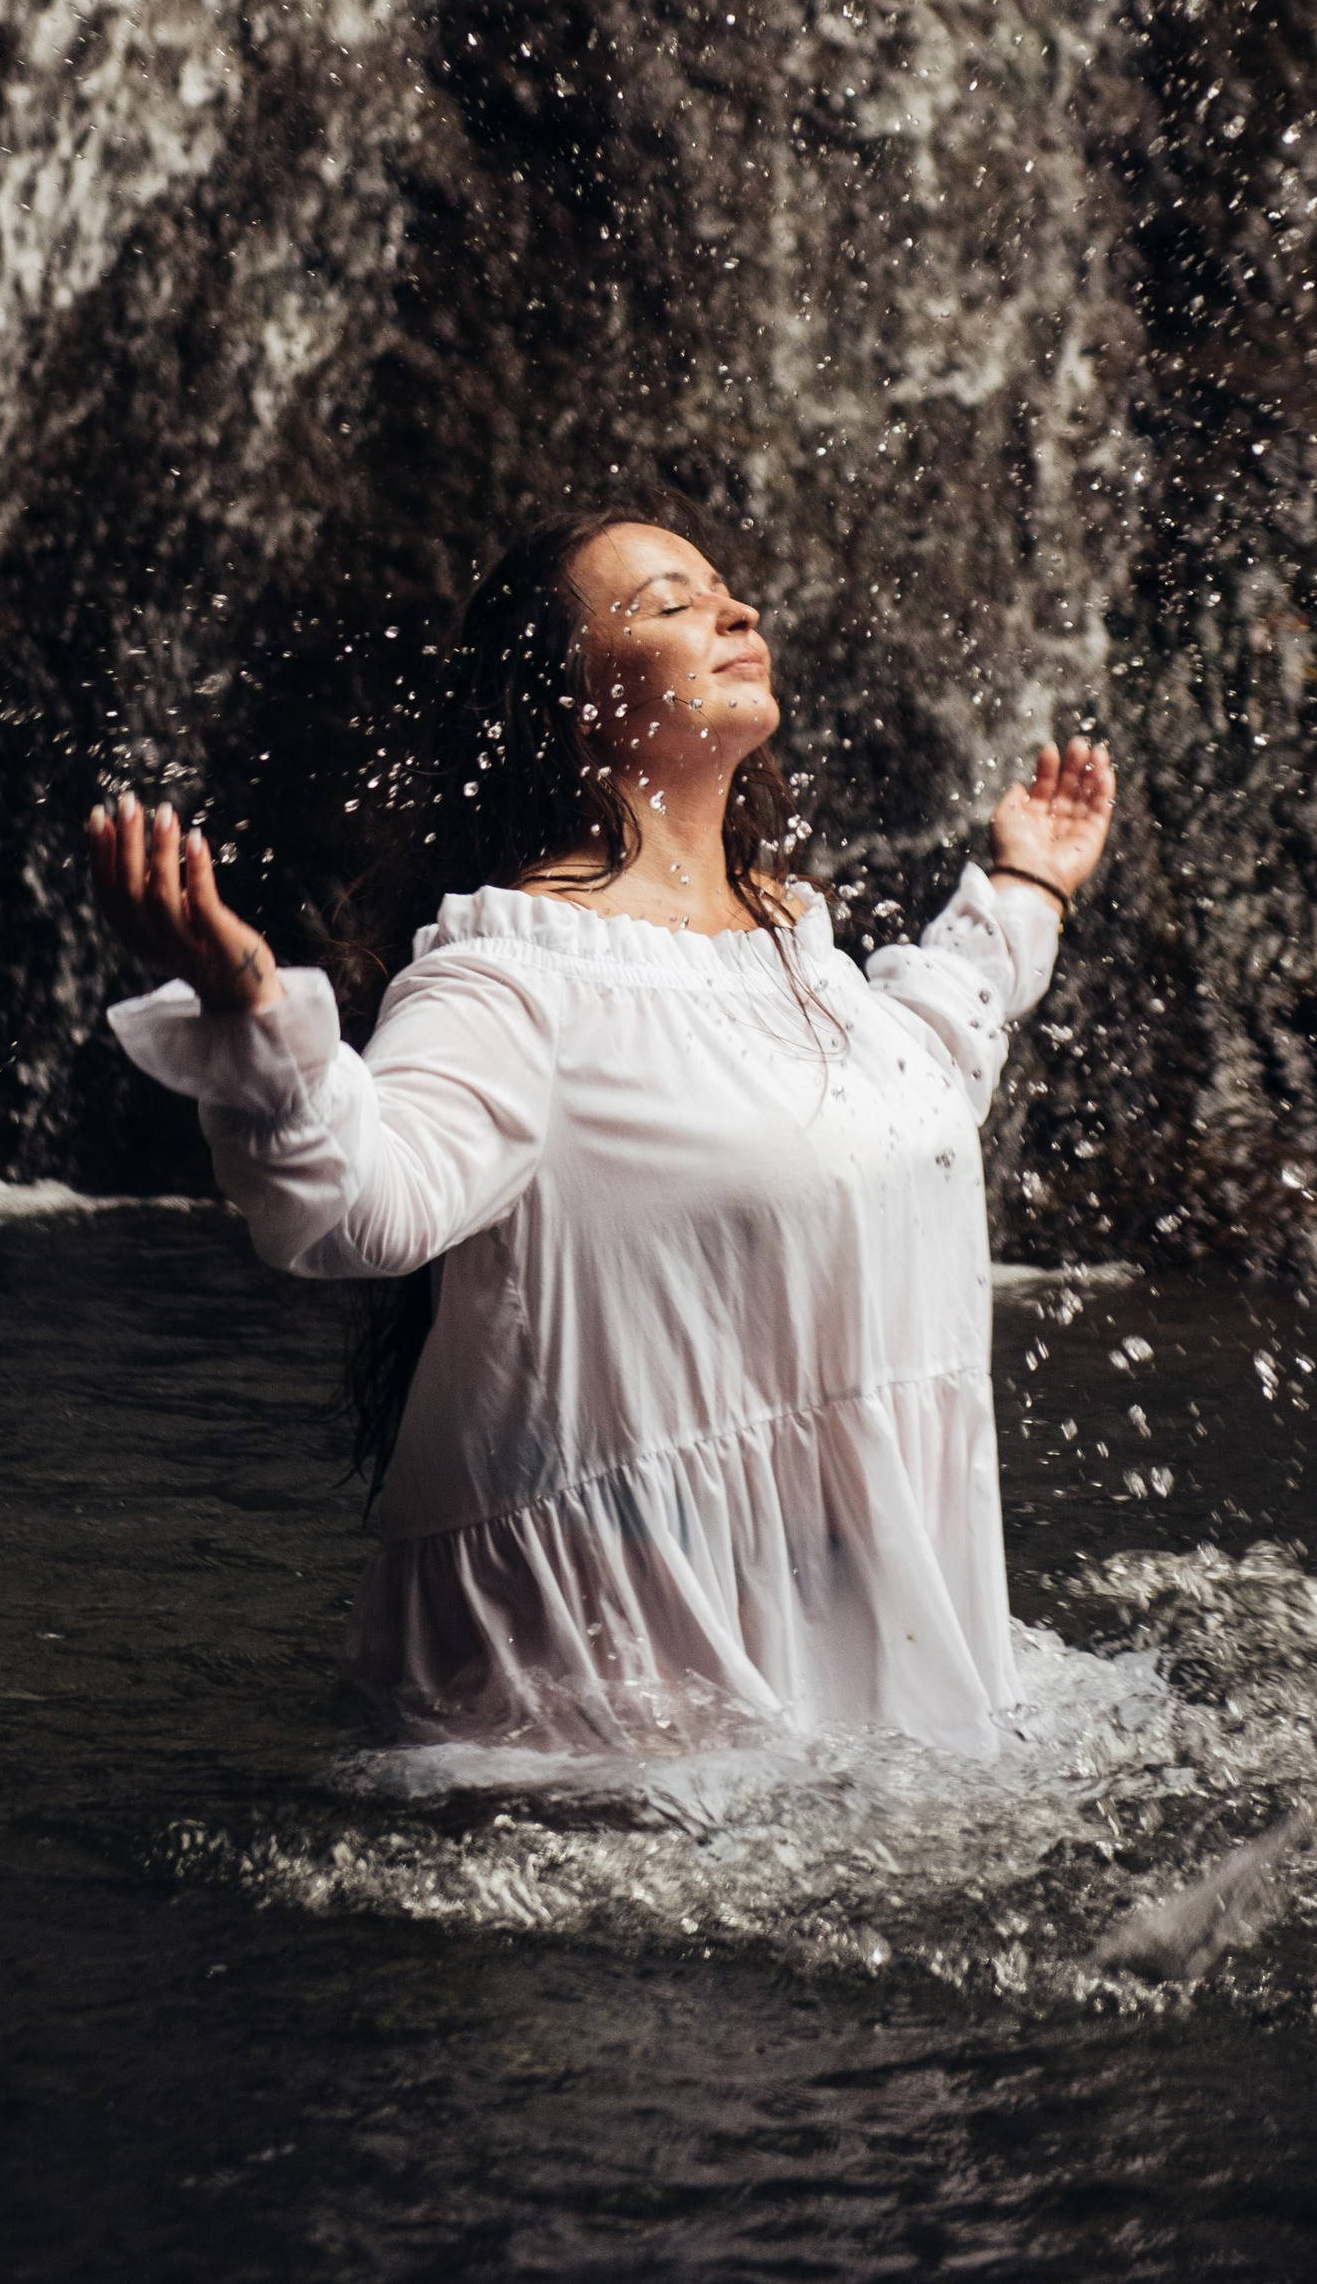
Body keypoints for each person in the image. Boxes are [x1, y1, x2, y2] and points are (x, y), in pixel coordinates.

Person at [88, 504, 1114, 1767]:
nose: (735, 611)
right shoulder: (512, 975)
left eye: (724, 587)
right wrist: (252, 1011)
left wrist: (1025, 886)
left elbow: (918, 1077)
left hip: (839, 1689)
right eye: (670, 603)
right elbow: (358, 1204)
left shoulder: (790, 946)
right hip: (600, 1718)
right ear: (572, 707)